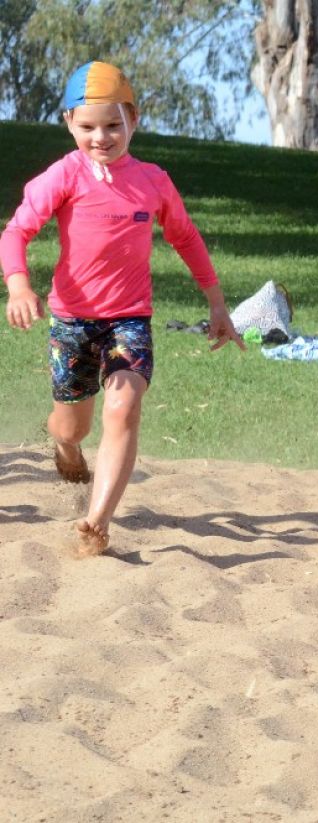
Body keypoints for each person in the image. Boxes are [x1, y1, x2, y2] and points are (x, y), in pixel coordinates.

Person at [1, 61, 244, 557]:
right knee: (73, 427)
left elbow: (186, 238)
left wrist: (217, 303)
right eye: (87, 127)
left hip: (128, 319)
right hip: (71, 321)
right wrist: (19, 286)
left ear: (134, 118)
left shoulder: (152, 181)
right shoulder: (64, 175)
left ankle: (98, 520)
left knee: (124, 405)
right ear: (69, 122)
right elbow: (16, 232)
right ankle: (65, 448)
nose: (101, 137)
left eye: (113, 125)